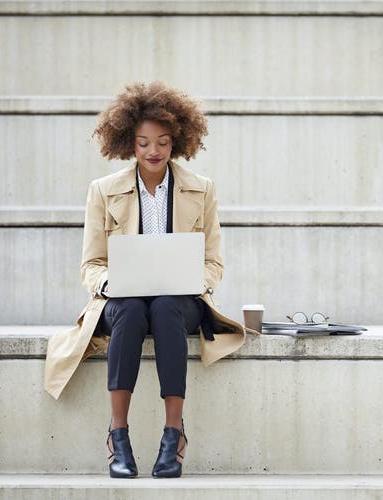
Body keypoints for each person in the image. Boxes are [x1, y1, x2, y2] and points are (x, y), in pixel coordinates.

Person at [43, 81, 247, 479]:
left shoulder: (201, 189)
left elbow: (213, 263)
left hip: (179, 301)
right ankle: (118, 434)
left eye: (163, 142)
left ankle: (174, 434)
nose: (153, 151)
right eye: (142, 143)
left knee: (167, 306)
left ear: (177, 142)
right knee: (133, 308)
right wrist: (111, 283)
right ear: (128, 144)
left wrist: (192, 279)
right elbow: (91, 264)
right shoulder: (103, 191)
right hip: (122, 301)